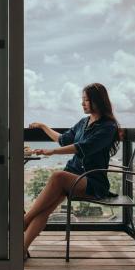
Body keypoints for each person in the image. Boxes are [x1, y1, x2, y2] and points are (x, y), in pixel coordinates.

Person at [24, 82, 121, 259]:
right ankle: (21, 248)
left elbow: (82, 147)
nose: (82, 103)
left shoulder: (108, 127)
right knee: (46, 209)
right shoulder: (84, 122)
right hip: (75, 178)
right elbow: (63, 139)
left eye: (86, 100)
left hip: (92, 181)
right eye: (82, 100)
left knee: (58, 175)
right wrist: (43, 126)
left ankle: (24, 220)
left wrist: (51, 152)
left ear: (98, 101)